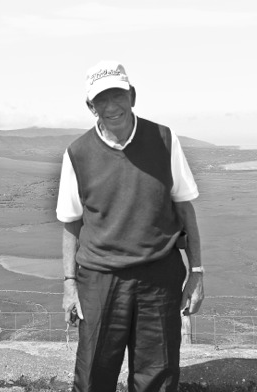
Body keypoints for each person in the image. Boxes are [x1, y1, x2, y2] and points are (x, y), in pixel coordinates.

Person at [56, 61, 205, 392]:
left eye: (118, 95)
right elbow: (71, 222)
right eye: (101, 100)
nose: (112, 106)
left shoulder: (164, 139)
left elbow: (185, 209)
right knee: (93, 375)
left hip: (159, 278)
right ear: (90, 106)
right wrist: (69, 285)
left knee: (158, 376)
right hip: (99, 278)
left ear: (132, 95)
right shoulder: (77, 153)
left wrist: (196, 273)